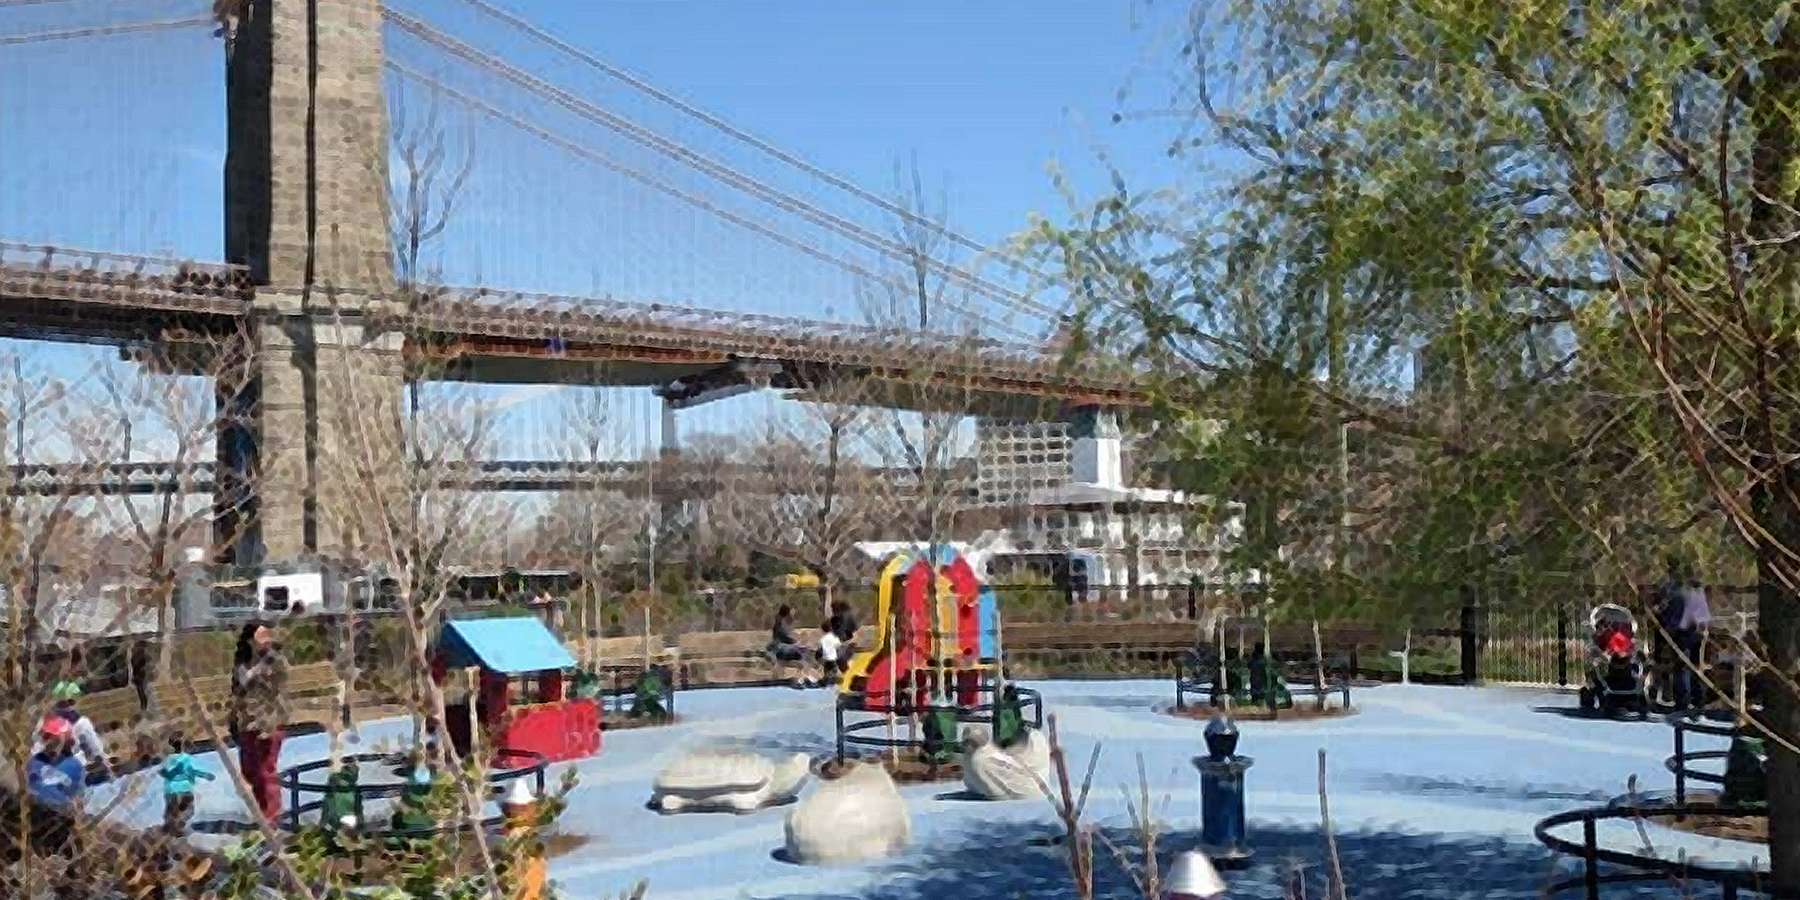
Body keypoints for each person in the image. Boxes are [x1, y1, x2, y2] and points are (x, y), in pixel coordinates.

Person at [232, 621, 289, 823]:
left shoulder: (275, 660)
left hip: (269, 720)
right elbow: (240, 687)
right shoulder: (242, 662)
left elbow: (278, 683)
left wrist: (265, 665)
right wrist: (232, 717)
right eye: (261, 635)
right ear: (250, 640)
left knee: (266, 769)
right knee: (249, 770)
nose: (266, 639)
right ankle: (263, 810)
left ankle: (271, 817)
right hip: (247, 721)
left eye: (268, 635)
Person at [47, 680, 111, 779]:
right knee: (92, 748)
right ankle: (100, 764)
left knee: (89, 748)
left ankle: (100, 765)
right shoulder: (61, 708)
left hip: (77, 725)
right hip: (79, 724)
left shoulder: (60, 709)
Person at [159, 733, 215, 837]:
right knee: (187, 810)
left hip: (171, 790)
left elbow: (163, 772)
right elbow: (190, 771)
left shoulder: (167, 759)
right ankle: (175, 827)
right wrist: (204, 774)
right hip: (183, 789)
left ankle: (171, 826)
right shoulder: (184, 758)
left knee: (173, 809)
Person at [1673, 575, 1712, 712]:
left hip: (1689, 632)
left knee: (1685, 667)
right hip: (1690, 632)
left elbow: (1695, 617)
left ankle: (1689, 700)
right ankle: (1692, 700)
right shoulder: (1696, 595)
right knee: (1691, 667)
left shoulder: (1693, 594)